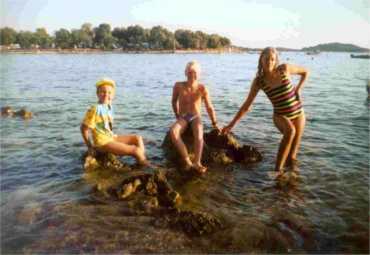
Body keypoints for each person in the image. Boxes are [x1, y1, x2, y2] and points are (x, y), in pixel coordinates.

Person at [222, 47, 309, 173]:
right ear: (261, 60)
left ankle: (292, 181)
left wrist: (299, 88)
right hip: (280, 115)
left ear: (276, 61)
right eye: (267, 59)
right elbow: (247, 105)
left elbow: (305, 72)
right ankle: (277, 172)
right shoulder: (259, 82)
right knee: (290, 131)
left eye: (272, 59)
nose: (270, 62)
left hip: (299, 114)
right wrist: (231, 125)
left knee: (292, 156)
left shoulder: (285, 69)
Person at [80, 78, 149, 165]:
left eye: (109, 92)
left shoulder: (109, 106)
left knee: (137, 138)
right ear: (97, 94)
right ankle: (146, 165)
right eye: (103, 92)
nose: (106, 94)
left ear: (113, 95)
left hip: (111, 137)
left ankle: (142, 159)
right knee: (135, 150)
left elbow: (107, 126)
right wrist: (90, 146)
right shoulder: (94, 109)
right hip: (102, 143)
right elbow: (83, 128)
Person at [170, 60, 219, 173]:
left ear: (199, 74)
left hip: (195, 117)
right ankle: (187, 161)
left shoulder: (202, 88)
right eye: (190, 72)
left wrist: (214, 123)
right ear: (186, 72)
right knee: (173, 132)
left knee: (199, 133)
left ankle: (197, 162)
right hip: (183, 117)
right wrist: (177, 116)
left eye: (195, 72)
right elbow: (173, 102)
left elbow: (209, 107)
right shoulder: (178, 86)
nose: (192, 75)